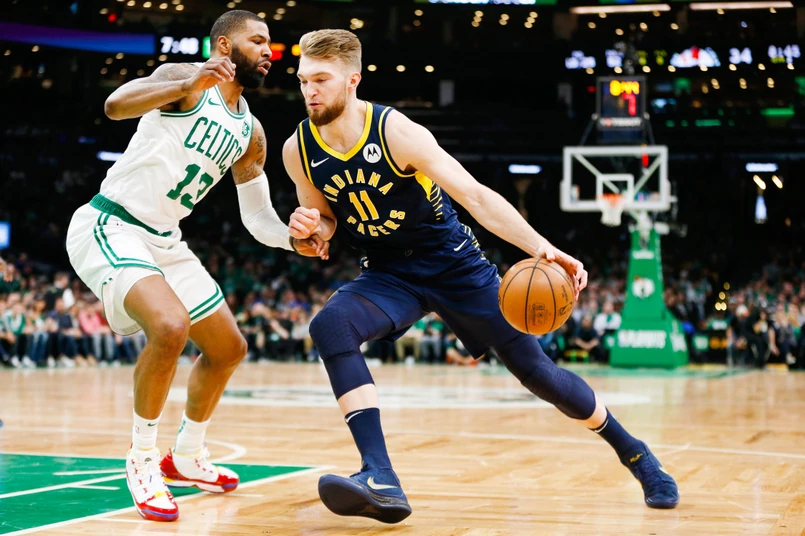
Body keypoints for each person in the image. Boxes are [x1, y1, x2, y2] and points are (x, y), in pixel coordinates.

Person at [282, 29, 679, 524]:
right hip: (388, 272)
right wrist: (308, 231)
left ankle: (637, 454)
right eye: (303, 80)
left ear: (353, 81)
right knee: (330, 325)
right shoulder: (298, 149)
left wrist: (542, 248)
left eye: (321, 79)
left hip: (453, 264)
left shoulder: (396, 132)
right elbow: (322, 224)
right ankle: (379, 475)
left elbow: (475, 197)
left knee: (537, 373)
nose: (309, 90)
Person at [65, 10, 326, 522]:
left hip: (166, 240)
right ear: (224, 45)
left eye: (271, 43)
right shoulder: (181, 78)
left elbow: (257, 217)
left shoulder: (251, 132)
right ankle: (142, 459)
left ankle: (186, 455)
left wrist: (293, 239)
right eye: (258, 41)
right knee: (170, 326)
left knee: (228, 347)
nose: (269, 51)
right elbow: (114, 106)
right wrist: (189, 82)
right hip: (111, 224)